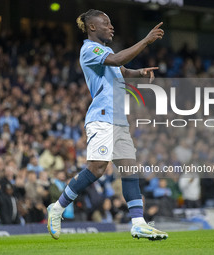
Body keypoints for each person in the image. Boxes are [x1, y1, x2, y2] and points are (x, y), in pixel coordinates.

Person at [47, 9, 167, 241]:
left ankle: (138, 223)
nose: (111, 27)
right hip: (101, 117)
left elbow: (121, 69)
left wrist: (138, 73)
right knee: (97, 168)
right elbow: (117, 60)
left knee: (129, 168)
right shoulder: (89, 49)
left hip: (118, 119)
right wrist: (145, 41)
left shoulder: (105, 50)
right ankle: (58, 208)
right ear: (92, 27)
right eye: (106, 23)